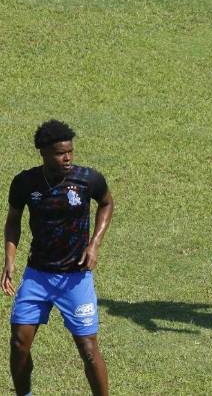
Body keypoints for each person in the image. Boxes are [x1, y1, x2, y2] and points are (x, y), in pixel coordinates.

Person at [3, 120, 115, 396]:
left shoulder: (87, 179)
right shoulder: (25, 183)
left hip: (75, 278)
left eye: (70, 152)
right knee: (19, 343)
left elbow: (107, 203)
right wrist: (9, 260)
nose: (67, 158)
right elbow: (13, 221)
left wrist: (95, 244)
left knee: (88, 349)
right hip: (37, 276)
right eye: (60, 153)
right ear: (42, 152)